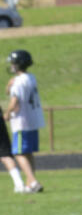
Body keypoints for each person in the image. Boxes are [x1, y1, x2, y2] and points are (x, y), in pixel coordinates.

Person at [5, 49, 44, 193]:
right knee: (28, 153)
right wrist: (9, 87)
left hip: (22, 121)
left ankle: (33, 181)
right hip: (34, 119)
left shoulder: (18, 82)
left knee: (19, 153)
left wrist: (7, 113)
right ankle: (30, 183)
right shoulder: (31, 78)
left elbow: (15, 101)